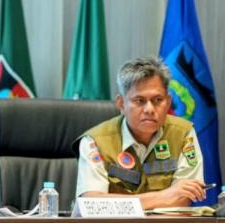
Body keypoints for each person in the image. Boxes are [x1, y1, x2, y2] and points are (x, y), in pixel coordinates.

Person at [75, 57, 205, 210]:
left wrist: (116, 203)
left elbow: (183, 199)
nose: (149, 109)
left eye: (157, 100)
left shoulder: (183, 133)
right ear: (121, 104)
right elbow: (91, 204)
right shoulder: (95, 141)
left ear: (168, 102)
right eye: (139, 100)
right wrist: (165, 196)